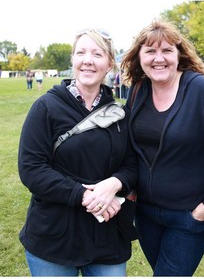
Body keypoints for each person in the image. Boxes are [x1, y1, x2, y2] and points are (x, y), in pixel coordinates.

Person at [120, 19, 204, 276]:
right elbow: (130, 144)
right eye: (150, 51)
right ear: (139, 57)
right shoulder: (138, 90)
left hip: (189, 215)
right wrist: (129, 187)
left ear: (179, 54)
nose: (158, 58)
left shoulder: (202, 91)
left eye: (167, 51)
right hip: (146, 212)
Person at [18, 28, 138, 276]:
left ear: (109, 64)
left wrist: (114, 185)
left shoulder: (120, 114)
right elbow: (32, 169)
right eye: (81, 52)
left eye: (97, 53)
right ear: (72, 59)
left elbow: (132, 164)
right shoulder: (46, 107)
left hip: (107, 237)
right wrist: (88, 197)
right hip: (54, 238)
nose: (88, 60)